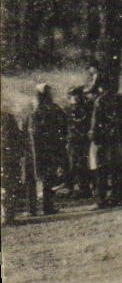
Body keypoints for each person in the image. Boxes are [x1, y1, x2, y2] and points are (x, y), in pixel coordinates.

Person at [23, 83, 70, 217]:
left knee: (41, 177)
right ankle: (41, 207)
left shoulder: (35, 110)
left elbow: (64, 125)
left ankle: (38, 208)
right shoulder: (41, 110)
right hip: (41, 148)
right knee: (40, 177)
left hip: (42, 148)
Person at [89, 74, 122, 208]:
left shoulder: (100, 102)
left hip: (102, 140)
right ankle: (116, 198)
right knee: (117, 169)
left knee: (101, 170)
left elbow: (95, 123)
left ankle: (101, 200)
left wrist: (95, 137)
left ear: (101, 87)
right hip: (118, 140)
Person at [65, 83, 94, 198]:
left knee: (83, 163)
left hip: (84, 139)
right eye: (71, 96)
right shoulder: (68, 108)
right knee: (73, 164)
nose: (73, 98)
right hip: (72, 139)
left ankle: (84, 188)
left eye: (75, 95)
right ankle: (74, 188)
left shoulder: (87, 107)